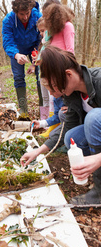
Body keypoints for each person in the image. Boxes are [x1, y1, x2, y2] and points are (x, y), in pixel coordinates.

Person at [21, 45, 101, 206]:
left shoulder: (99, 80)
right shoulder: (72, 94)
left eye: (52, 86)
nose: (51, 93)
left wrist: (98, 159)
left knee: (93, 118)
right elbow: (66, 126)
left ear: (68, 74)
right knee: (72, 137)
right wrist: (39, 151)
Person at [35, 1, 75, 137]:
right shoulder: (50, 31)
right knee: (53, 100)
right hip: (49, 69)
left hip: (62, 70)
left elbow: (70, 51)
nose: (44, 20)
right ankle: (52, 126)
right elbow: (46, 48)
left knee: (64, 105)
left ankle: (66, 131)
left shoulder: (67, 26)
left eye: (46, 17)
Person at [2, 0, 42, 114]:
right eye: (21, 14)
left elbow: (42, 40)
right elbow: (8, 42)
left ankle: (43, 107)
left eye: (27, 13)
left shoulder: (37, 16)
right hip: (17, 49)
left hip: (34, 47)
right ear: (15, 12)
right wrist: (16, 55)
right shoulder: (8, 20)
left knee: (41, 74)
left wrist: (34, 63)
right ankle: (23, 110)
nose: (25, 17)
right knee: (18, 77)